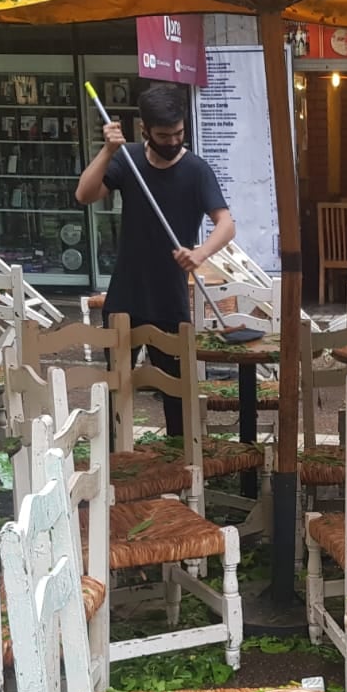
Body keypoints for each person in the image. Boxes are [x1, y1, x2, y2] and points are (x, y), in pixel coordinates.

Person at [75, 83, 235, 436]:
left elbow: (226, 223)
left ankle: (179, 468)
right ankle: (117, 464)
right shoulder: (127, 159)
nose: (173, 141)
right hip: (126, 296)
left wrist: (200, 253)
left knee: (176, 397)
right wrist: (107, 151)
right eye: (164, 135)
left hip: (169, 299)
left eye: (179, 133)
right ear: (145, 130)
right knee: (115, 390)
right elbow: (84, 194)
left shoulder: (196, 170)